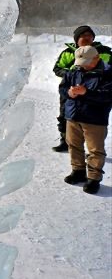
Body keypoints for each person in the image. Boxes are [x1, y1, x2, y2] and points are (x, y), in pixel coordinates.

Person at [59, 45, 112, 194]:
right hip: (73, 115)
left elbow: (107, 96)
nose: (84, 66)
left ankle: (94, 179)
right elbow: (62, 88)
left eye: (87, 62)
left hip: (94, 119)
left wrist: (86, 92)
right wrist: (69, 93)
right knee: (73, 144)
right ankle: (78, 171)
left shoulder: (107, 74)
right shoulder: (74, 71)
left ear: (97, 58)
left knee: (95, 150)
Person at [52, 25, 111, 152]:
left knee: (91, 117)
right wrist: (71, 74)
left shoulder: (103, 51)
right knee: (66, 115)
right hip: (72, 88)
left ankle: (93, 148)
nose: (86, 38)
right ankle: (65, 141)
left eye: (89, 35)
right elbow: (57, 69)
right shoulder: (68, 52)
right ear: (76, 39)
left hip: (94, 88)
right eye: (83, 36)